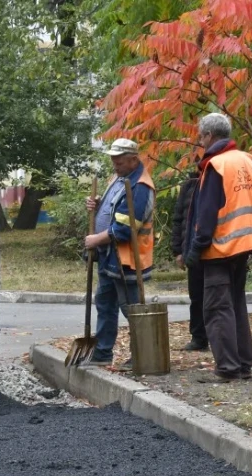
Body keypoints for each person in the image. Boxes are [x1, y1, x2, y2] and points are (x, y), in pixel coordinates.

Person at [183, 113, 252, 381]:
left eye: (201, 136)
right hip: (244, 243)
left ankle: (228, 368)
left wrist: (196, 248)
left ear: (209, 136)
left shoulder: (216, 165)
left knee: (217, 308)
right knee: (236, 305)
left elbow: (207, 213)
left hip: (219, 247)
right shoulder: (245, 160)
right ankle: (243, 364)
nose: (200, 141)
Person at [83, 138, 156, 370]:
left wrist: (95, 239)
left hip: (126, 260)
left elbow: (125, 229)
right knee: (104, 303)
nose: (115, 166)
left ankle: (143, 354)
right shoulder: (119, 178)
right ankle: (103, 352)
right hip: (108, 257)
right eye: (113, 161)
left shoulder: (141, 186)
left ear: (134, 160)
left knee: (131, 308)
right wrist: (97, 203)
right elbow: (113, 208)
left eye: (120, 162)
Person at [171, 169, 208, 351]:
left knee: (216, 297)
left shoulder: (215, 179)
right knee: (196, 296)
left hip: (213, 249)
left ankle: (217, 337)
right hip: (191, 250)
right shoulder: (189, 184)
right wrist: (178, 251)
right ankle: (199, 338)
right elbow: (178, 219)